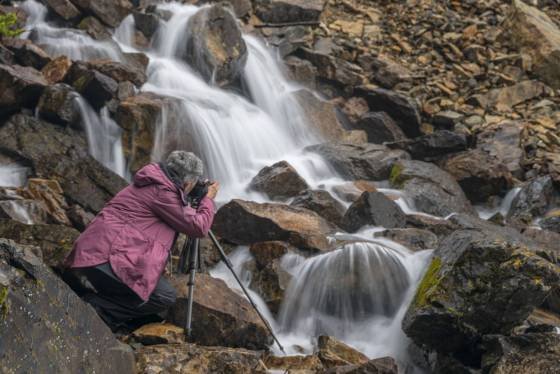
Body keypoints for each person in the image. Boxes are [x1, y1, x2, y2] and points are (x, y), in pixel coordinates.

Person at [63, 151, 219, 331]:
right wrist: (207, 200)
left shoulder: (154, 182)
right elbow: (198, 227)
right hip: (106, 258)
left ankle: (110, 313)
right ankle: (95, 308)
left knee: (147, 290)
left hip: (95, 252)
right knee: (163, 296)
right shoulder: (163, 192)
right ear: (187, 182)